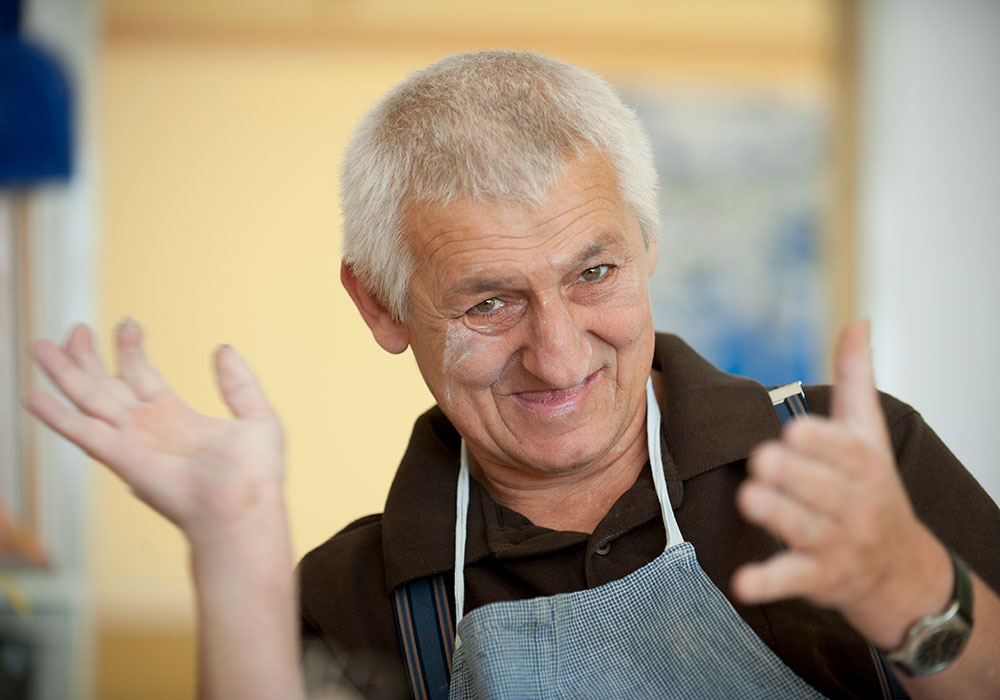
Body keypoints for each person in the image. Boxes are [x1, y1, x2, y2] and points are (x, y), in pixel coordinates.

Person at [26, 51, 1000, 700]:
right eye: (489, 302)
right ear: (379, 306)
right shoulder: (349, 592)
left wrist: (910, 586)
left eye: (593, 273)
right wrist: (233, 546)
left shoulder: (852, 462)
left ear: (648, 243)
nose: (562, 354)